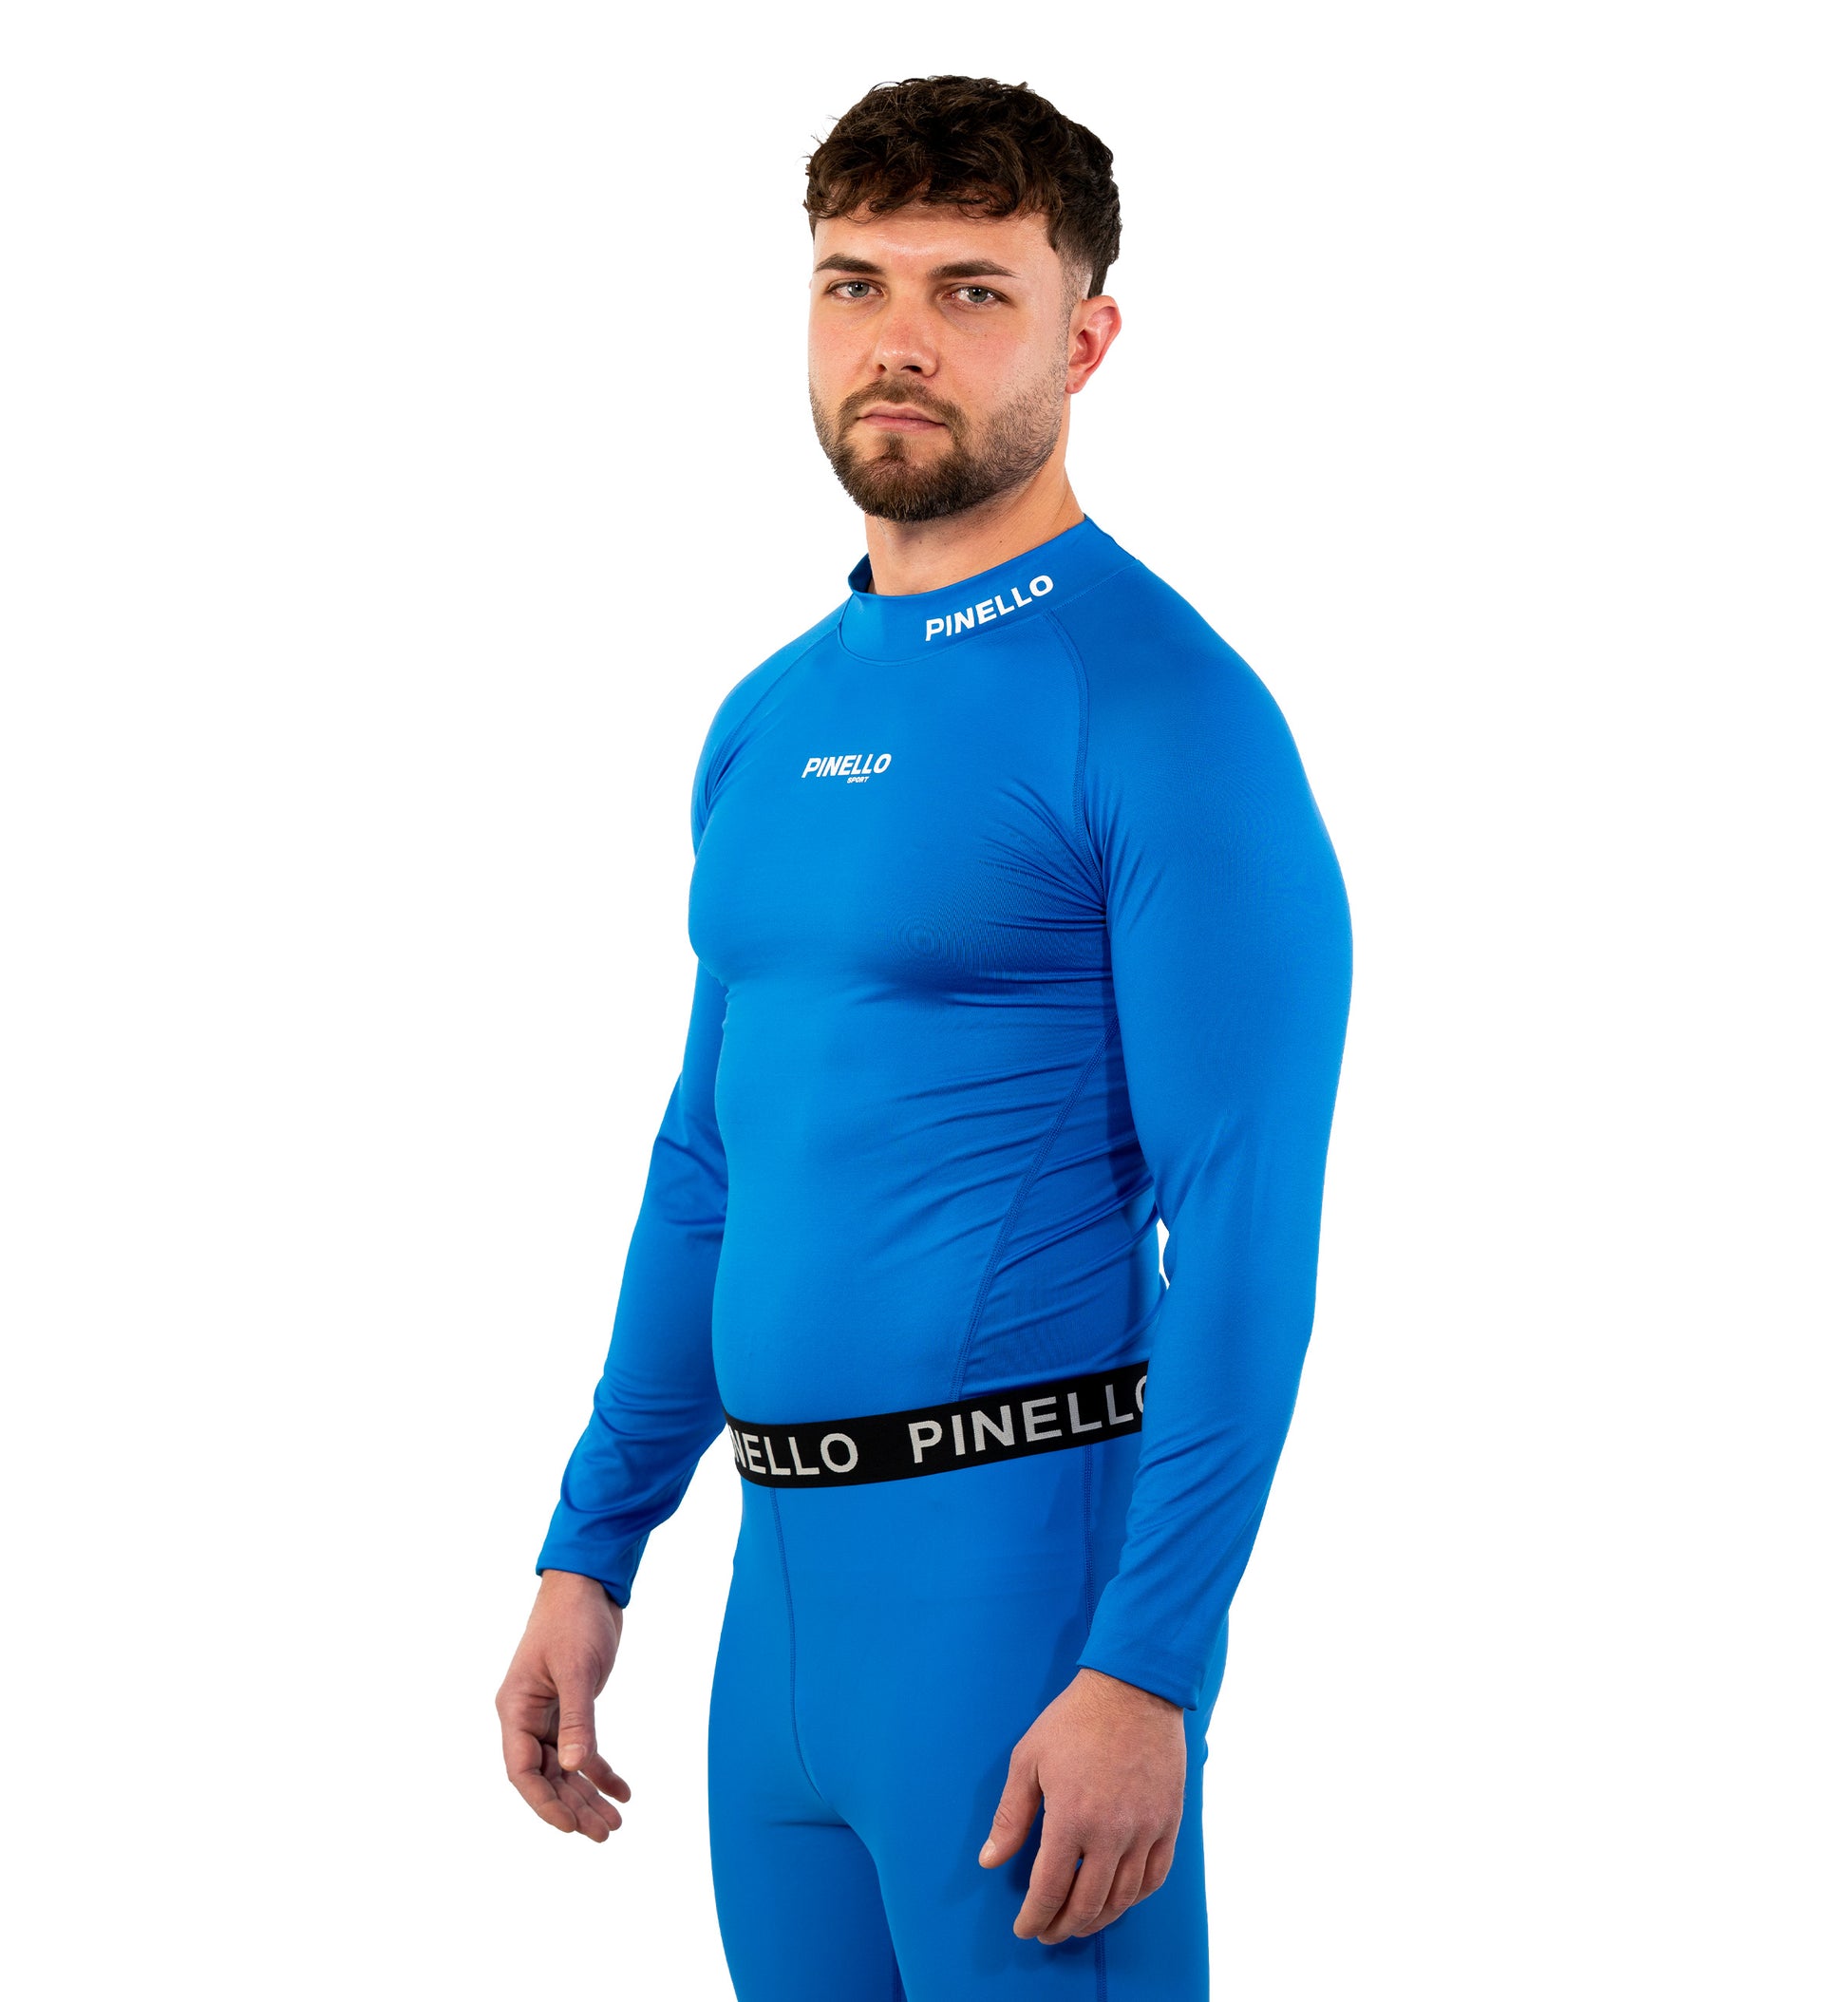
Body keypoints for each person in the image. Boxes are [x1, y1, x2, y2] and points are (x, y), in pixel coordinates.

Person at [496, 74, 1352, 2000]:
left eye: (971, 290)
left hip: (1025, 1598)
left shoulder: (1165, 715)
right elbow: (709, 1162)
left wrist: (1148, 1667)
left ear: (1084, 337)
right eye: (853, 283)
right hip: (777, 1611)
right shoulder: (767, 715)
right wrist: (590, 1546)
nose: (898, 339)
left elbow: (1244, 1227)